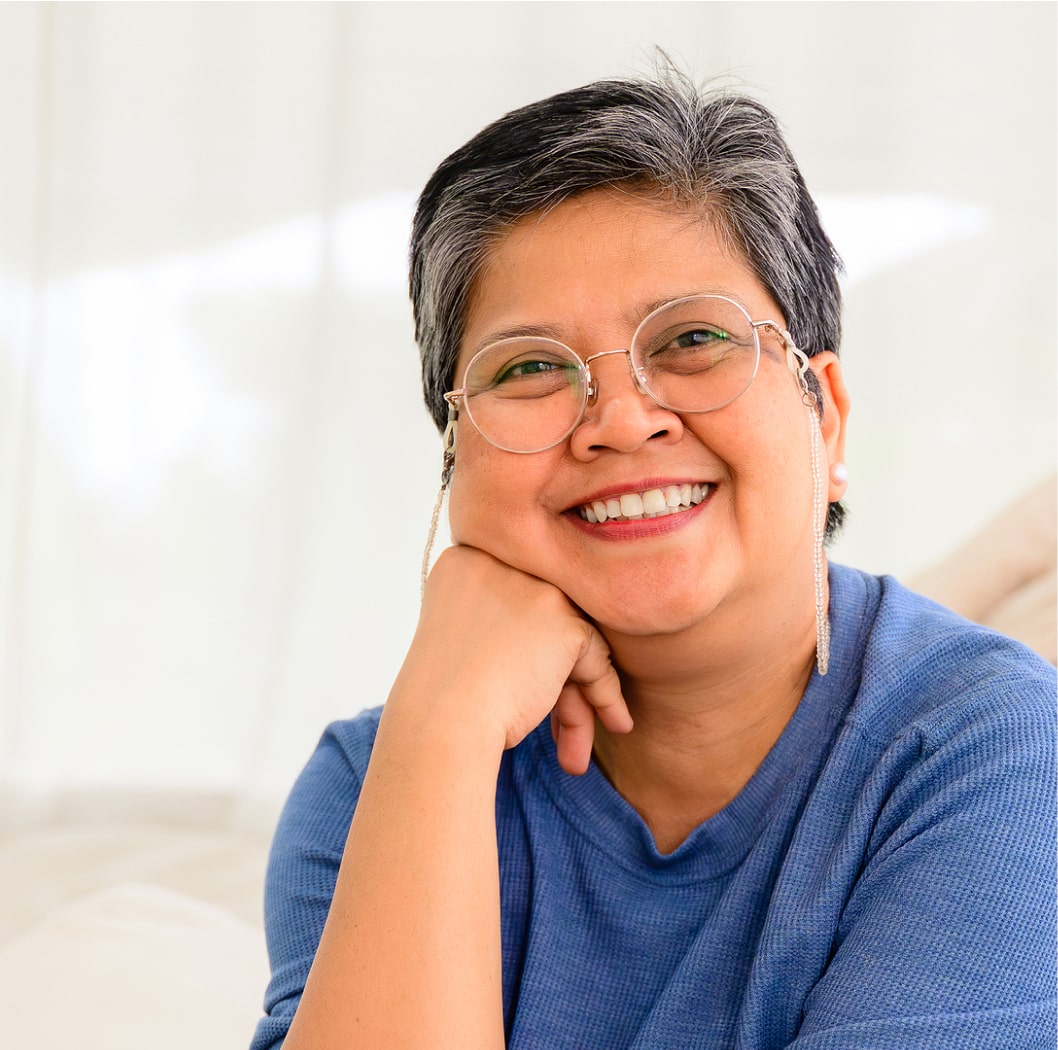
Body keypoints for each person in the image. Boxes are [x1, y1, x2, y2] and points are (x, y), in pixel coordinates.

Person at [250, 71, 1056, 1050]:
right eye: (529, 368)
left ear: (825, 417)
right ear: (455, 465)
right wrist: (444, 725)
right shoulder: (379, 776)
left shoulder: (994, 748)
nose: (621, 419)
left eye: (693, 339)